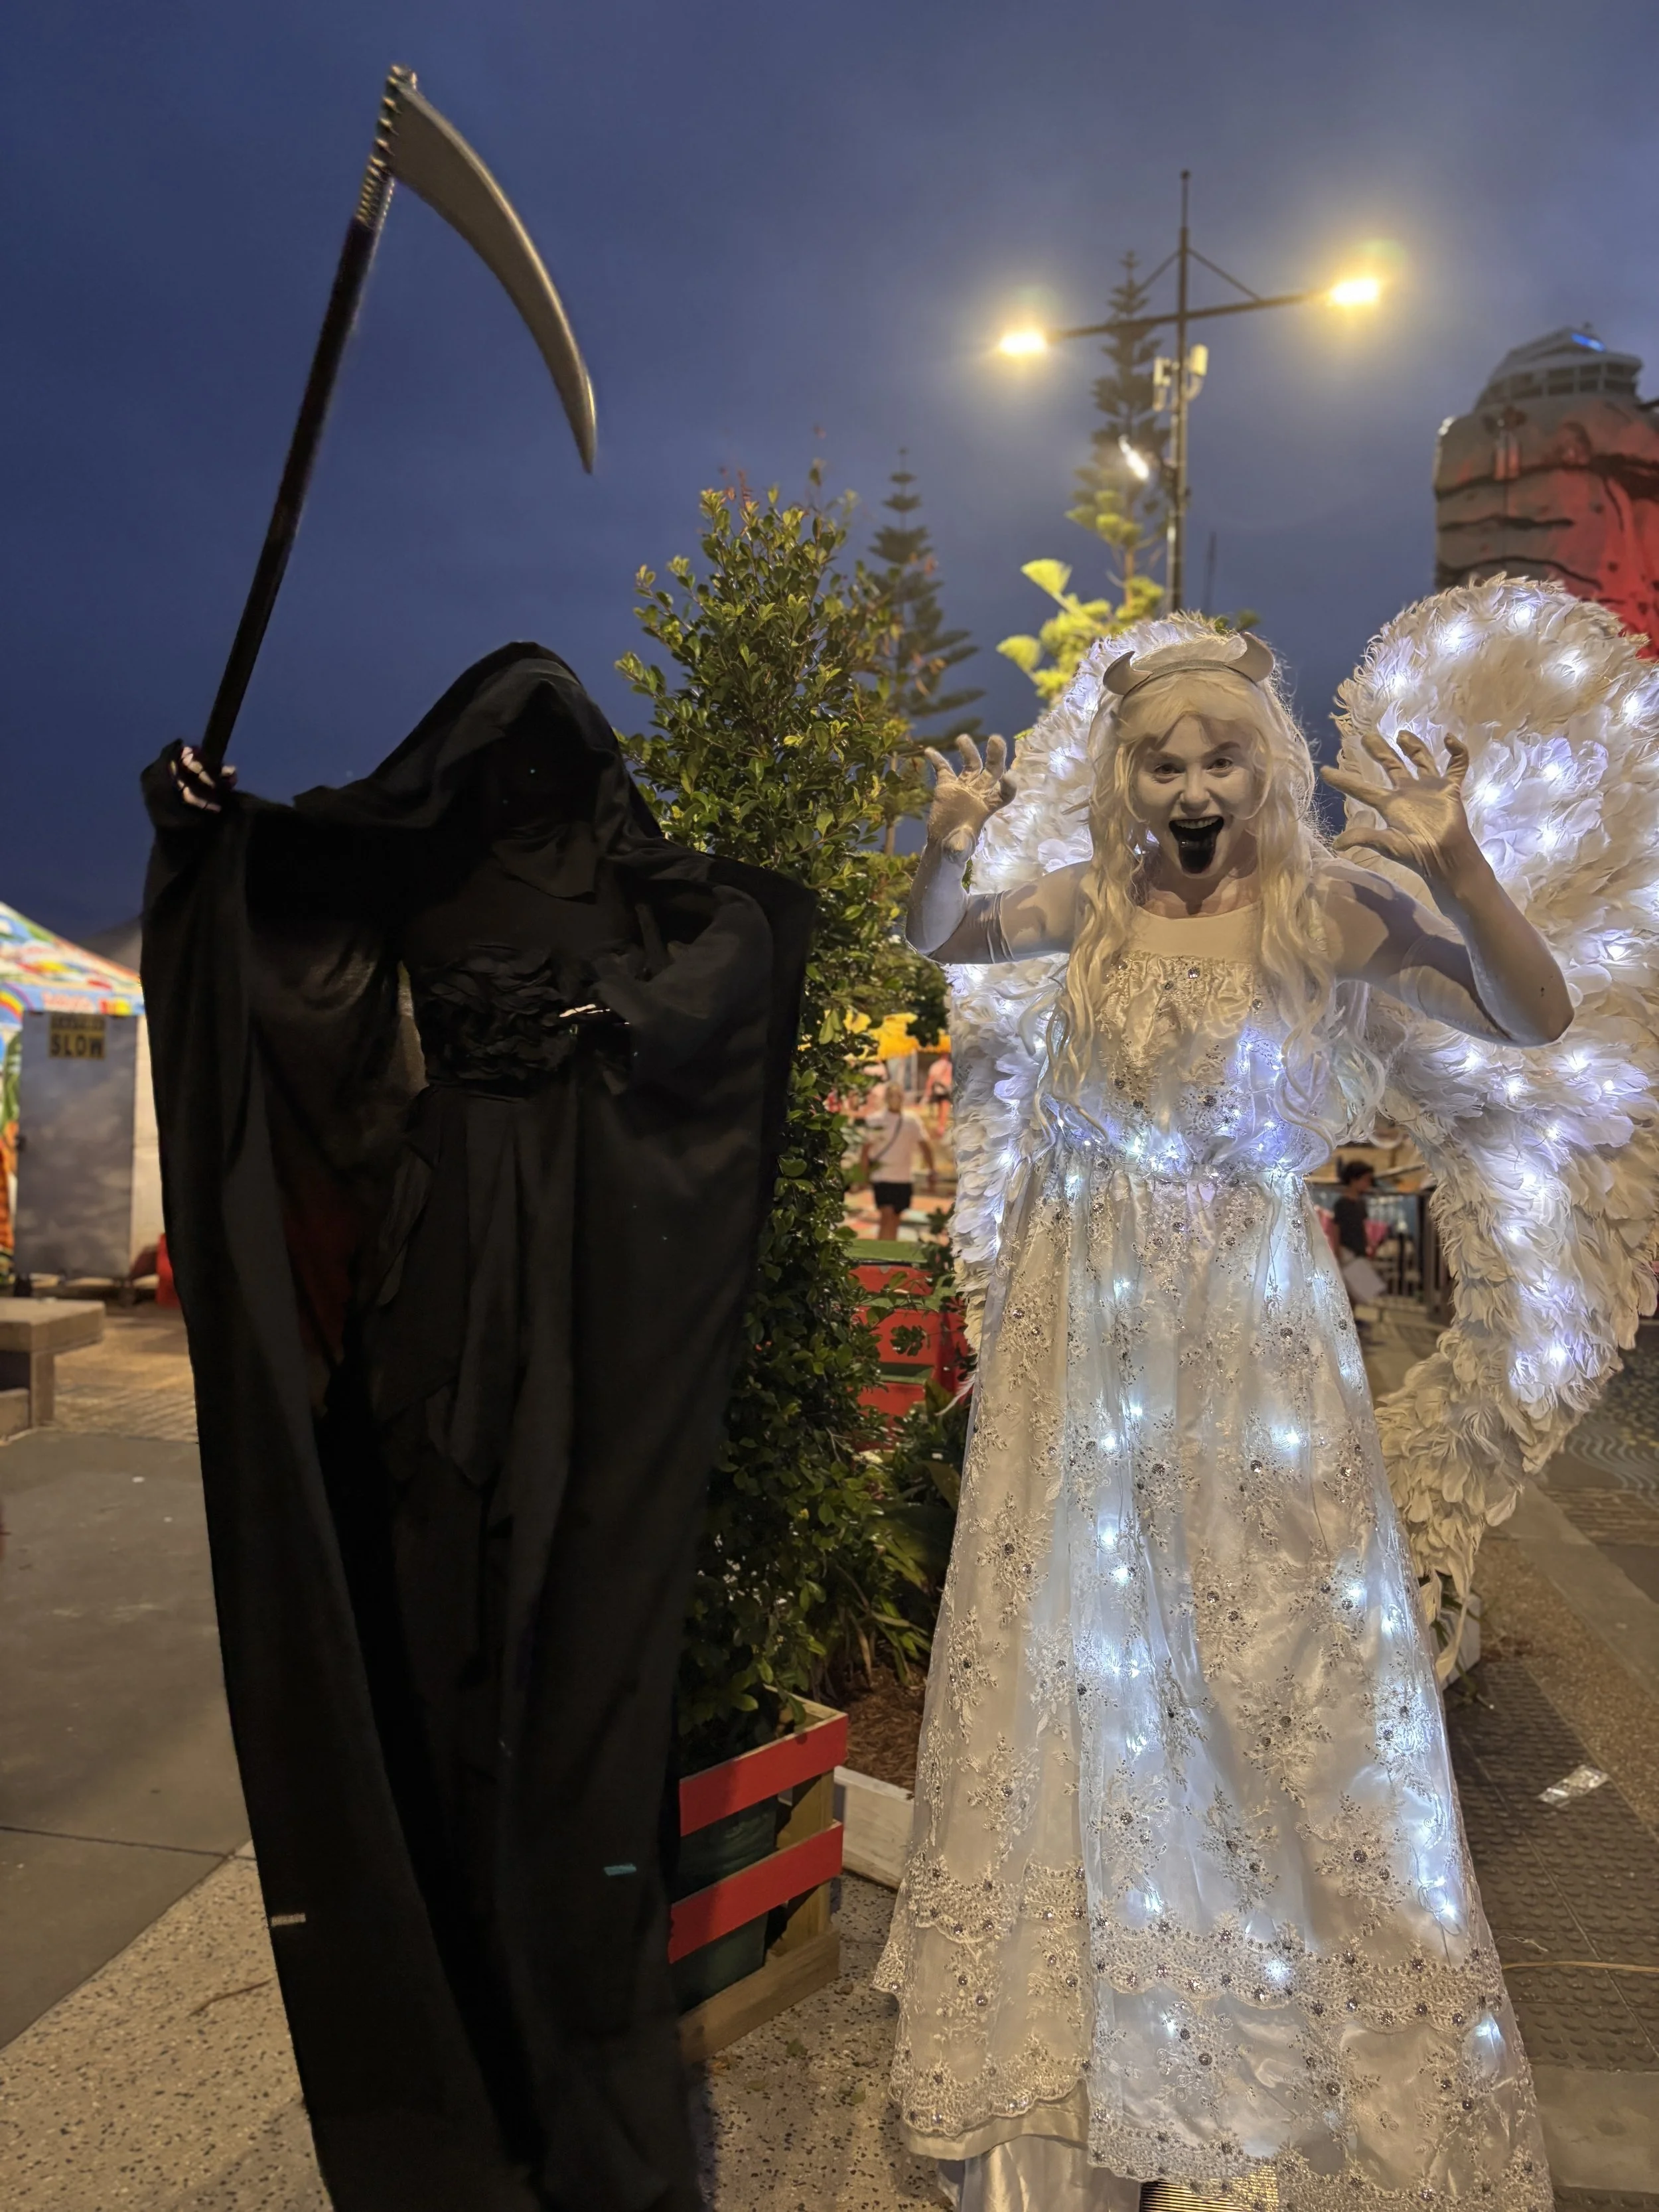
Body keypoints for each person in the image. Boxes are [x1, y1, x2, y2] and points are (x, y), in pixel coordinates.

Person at [875, 628, 1567, 2209]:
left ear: (1265, 765)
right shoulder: (1093, 910)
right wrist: (943, 849)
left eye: (1221, 758)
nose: (1194, 788)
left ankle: (1275, 2067)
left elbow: (1535, 1017)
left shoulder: (1333, 912)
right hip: (1087, 1340)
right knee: (1095, 1674)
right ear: (1131, 778)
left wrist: (1460, 873)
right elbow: (947, 939)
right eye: (1166, 763)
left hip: (1253, 1348)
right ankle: (1090, 2054)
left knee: (1276, 1681)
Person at [141, 646, 812, 2212]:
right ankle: (454, 2086)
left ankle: (584, 2085)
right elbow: (277, 905)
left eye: (548, 754)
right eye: (493, 756)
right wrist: (197, 827)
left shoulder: (647, 889)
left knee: (580, 1671)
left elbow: (748, 946)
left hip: (589, 1294)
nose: (521, 782)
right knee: (436, 1633)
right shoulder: (415, 866)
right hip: (438, 1289)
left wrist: (622, 1000)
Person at [862, 1078, 935, 1239]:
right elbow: (866, 1149)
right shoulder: (875, 1120)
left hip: (903, 1177)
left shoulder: (912, 1120)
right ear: (886, 1098)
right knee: (886, 1215)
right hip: (882, 1176)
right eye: (891, 1095)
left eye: (898, 1095)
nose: (895, 1099)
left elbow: (925, 1146)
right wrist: (863, 1174)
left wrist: (932, 1170)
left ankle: (890, 1252)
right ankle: (881, 1253)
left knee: (895, 1217)